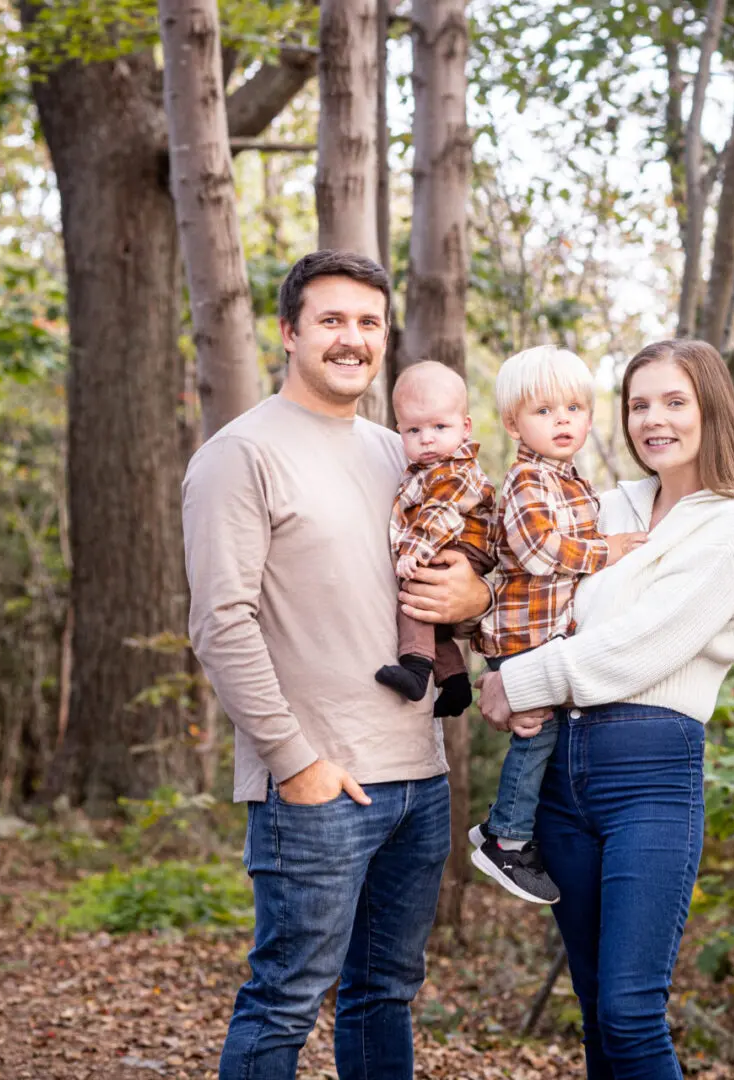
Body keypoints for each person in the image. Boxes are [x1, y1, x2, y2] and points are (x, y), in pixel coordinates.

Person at [182, 250, 490, 1080]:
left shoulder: (406, 454)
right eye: (331, 320)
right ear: (288, 333)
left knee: (383, 995)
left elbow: (468, 574)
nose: (352, 339)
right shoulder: (239, 455)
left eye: (368, 322)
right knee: (285, 999)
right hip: (317, 788)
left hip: (418, 783)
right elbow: (220, 622)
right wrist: (295, 761)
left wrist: (476, 599)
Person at [478, 339, 734, 1079]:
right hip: (560, 774)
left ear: (712, 409)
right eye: (639, 404)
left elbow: (638, 648)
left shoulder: (731, 524)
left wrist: (516, 683)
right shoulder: (606, 505)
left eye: (675, 402)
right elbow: (529, 580)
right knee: (593, 1008)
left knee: (630, 1011)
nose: (654, 420)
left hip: (648, 776)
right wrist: (468, 606)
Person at [467, 345, 647, 906]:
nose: (562, 420)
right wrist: (607, 550)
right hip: (523, 636)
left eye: (573, 407)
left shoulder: (571, 482)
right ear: (512, 422)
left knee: (545, 734)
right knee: (537, 732)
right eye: (543, 411)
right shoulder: (527, 480)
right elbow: (541, 551)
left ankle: (504, 821)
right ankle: (508, 840)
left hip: (548, 636)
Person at [375, 361, 497, 718]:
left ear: (465, 427)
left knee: (415, 589)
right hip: (446, 541)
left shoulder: (455, 468)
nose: (427, 438)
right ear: (399, 430)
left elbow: (440, 513)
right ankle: (455, 680)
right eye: (414, 430)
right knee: (434, 614)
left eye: (440, 426)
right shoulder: (423, 468)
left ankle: (416, 670)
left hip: (461, 544)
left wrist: (411, 553)